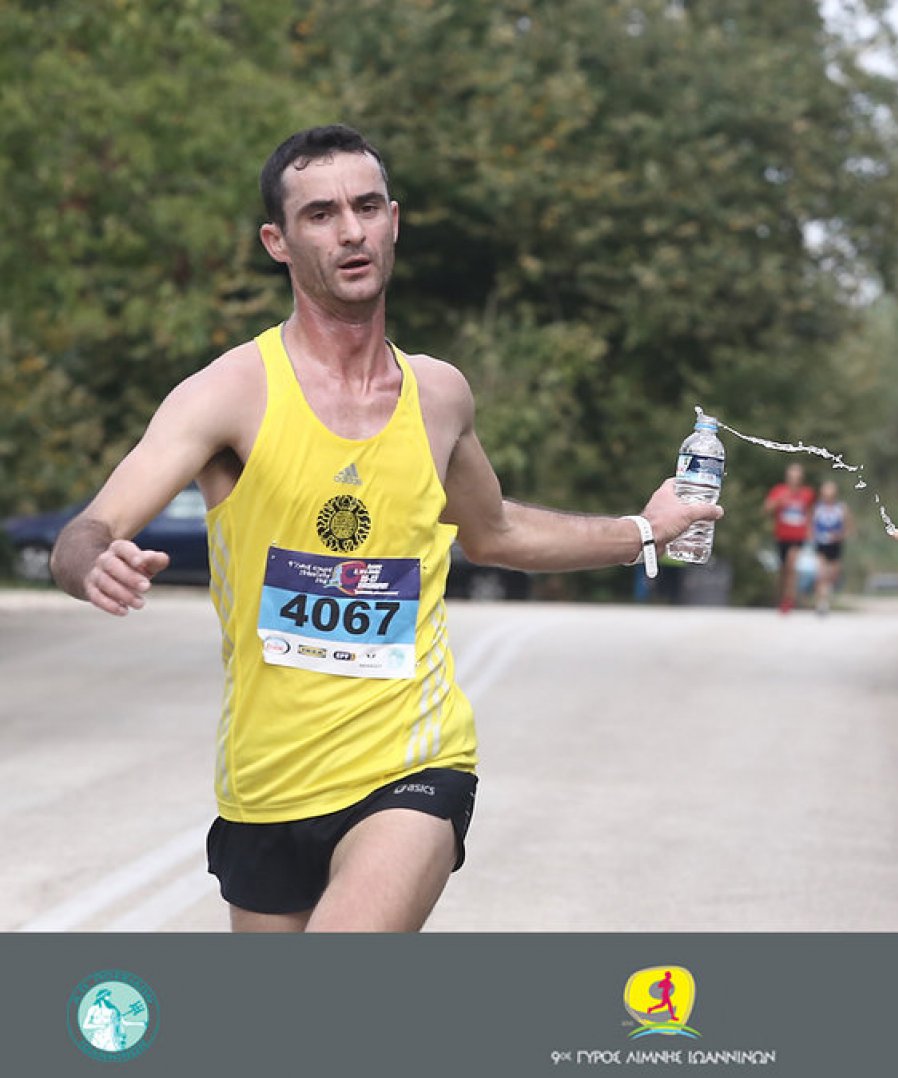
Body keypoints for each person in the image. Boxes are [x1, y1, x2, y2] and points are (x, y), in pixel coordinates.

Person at [48, 124, 721, 933]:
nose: (351, 231)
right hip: (267, 784)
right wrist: (93, 562)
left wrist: (642, 529)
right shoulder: (230, 393)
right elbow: (89, 528)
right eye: (321, 214)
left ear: (393, 221)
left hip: (412, 764)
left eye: (367, 207)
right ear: (277, 241)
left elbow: (494, 533)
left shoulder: (439, 397)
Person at [763, 463, 814, 613]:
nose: (794, 479)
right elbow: (766, 508)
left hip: (798, 536)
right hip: (781, 536)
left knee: (792, 567)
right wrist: (778, 501)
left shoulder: (807, 493)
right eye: (792, 476)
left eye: (797, 476)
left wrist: (810, 532)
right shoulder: (779, 491)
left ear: (801, 478)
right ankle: (780, 597)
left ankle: (788, 601)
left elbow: (810, 514)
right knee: (783, 570)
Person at [810, 480, 850, 616]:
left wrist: (839, 535)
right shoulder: (817, 507)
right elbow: (811, 525)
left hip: (835, 545)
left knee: (833, 574)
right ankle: (821, 602)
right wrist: (812, 537)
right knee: (821, 574)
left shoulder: (841, 508)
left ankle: (827, 594)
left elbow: (848, 527)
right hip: (821, 543)